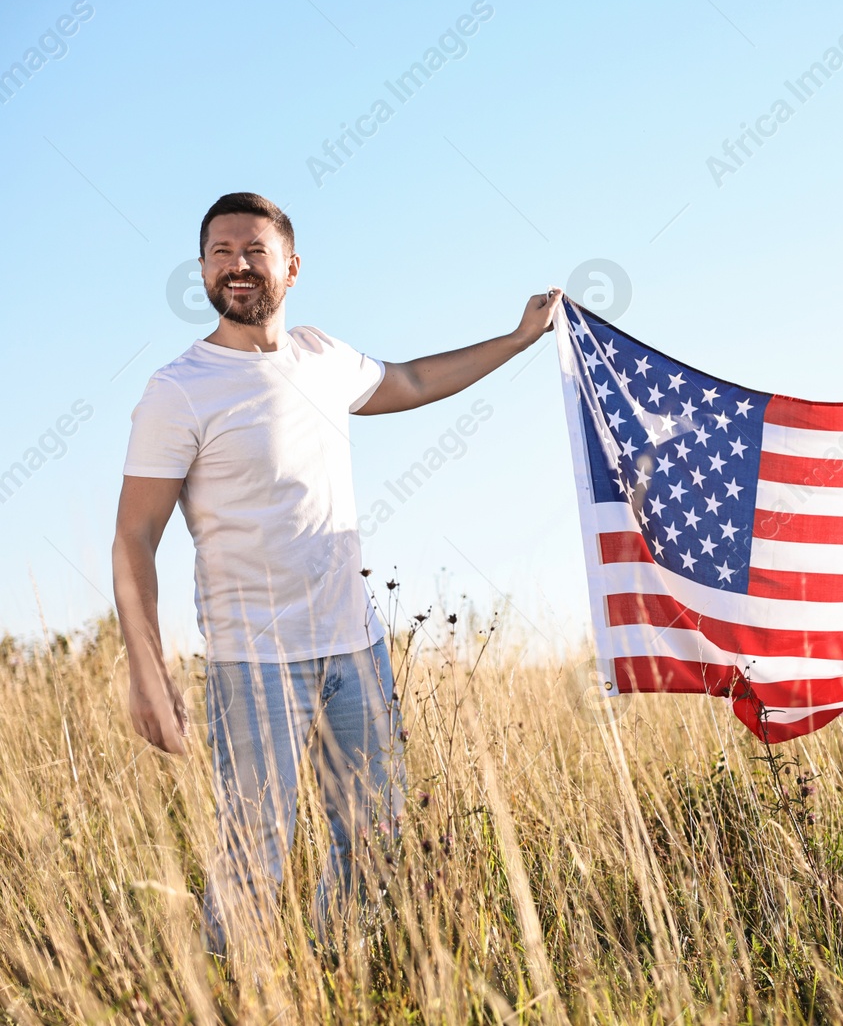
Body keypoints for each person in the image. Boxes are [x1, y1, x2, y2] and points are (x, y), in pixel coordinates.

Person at [111, 192, 562, 955]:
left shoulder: (322, 356)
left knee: (375, 840)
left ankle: (337, 979)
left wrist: (520, 340)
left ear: (291, 265)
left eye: (254, 250)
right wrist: (145, 671)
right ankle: (234, 996)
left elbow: (413, 381)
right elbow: (133, 538)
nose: (237, 266)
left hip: (356, 651)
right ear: (202, 270)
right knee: (255, 858)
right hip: (253, 664)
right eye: (220, 253)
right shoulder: (178, 388)